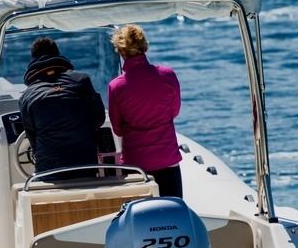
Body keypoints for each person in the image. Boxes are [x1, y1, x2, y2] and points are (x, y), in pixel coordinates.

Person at [107, 24, 183, 197]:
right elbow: (174, 112)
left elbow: (117, 129)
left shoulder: (116, 86)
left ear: (121, 51)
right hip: (167, 158)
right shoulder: (168, 75)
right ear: (144, 46)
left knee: (141, 211)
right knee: (172, 209)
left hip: (136, 164)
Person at [19, 37, 106, 179]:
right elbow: (99, 119)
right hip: (85, 167)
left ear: (33, 59)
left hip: (49, 173)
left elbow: (32, 138)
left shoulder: (26, 97)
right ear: (57, 54)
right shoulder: (82, 81)